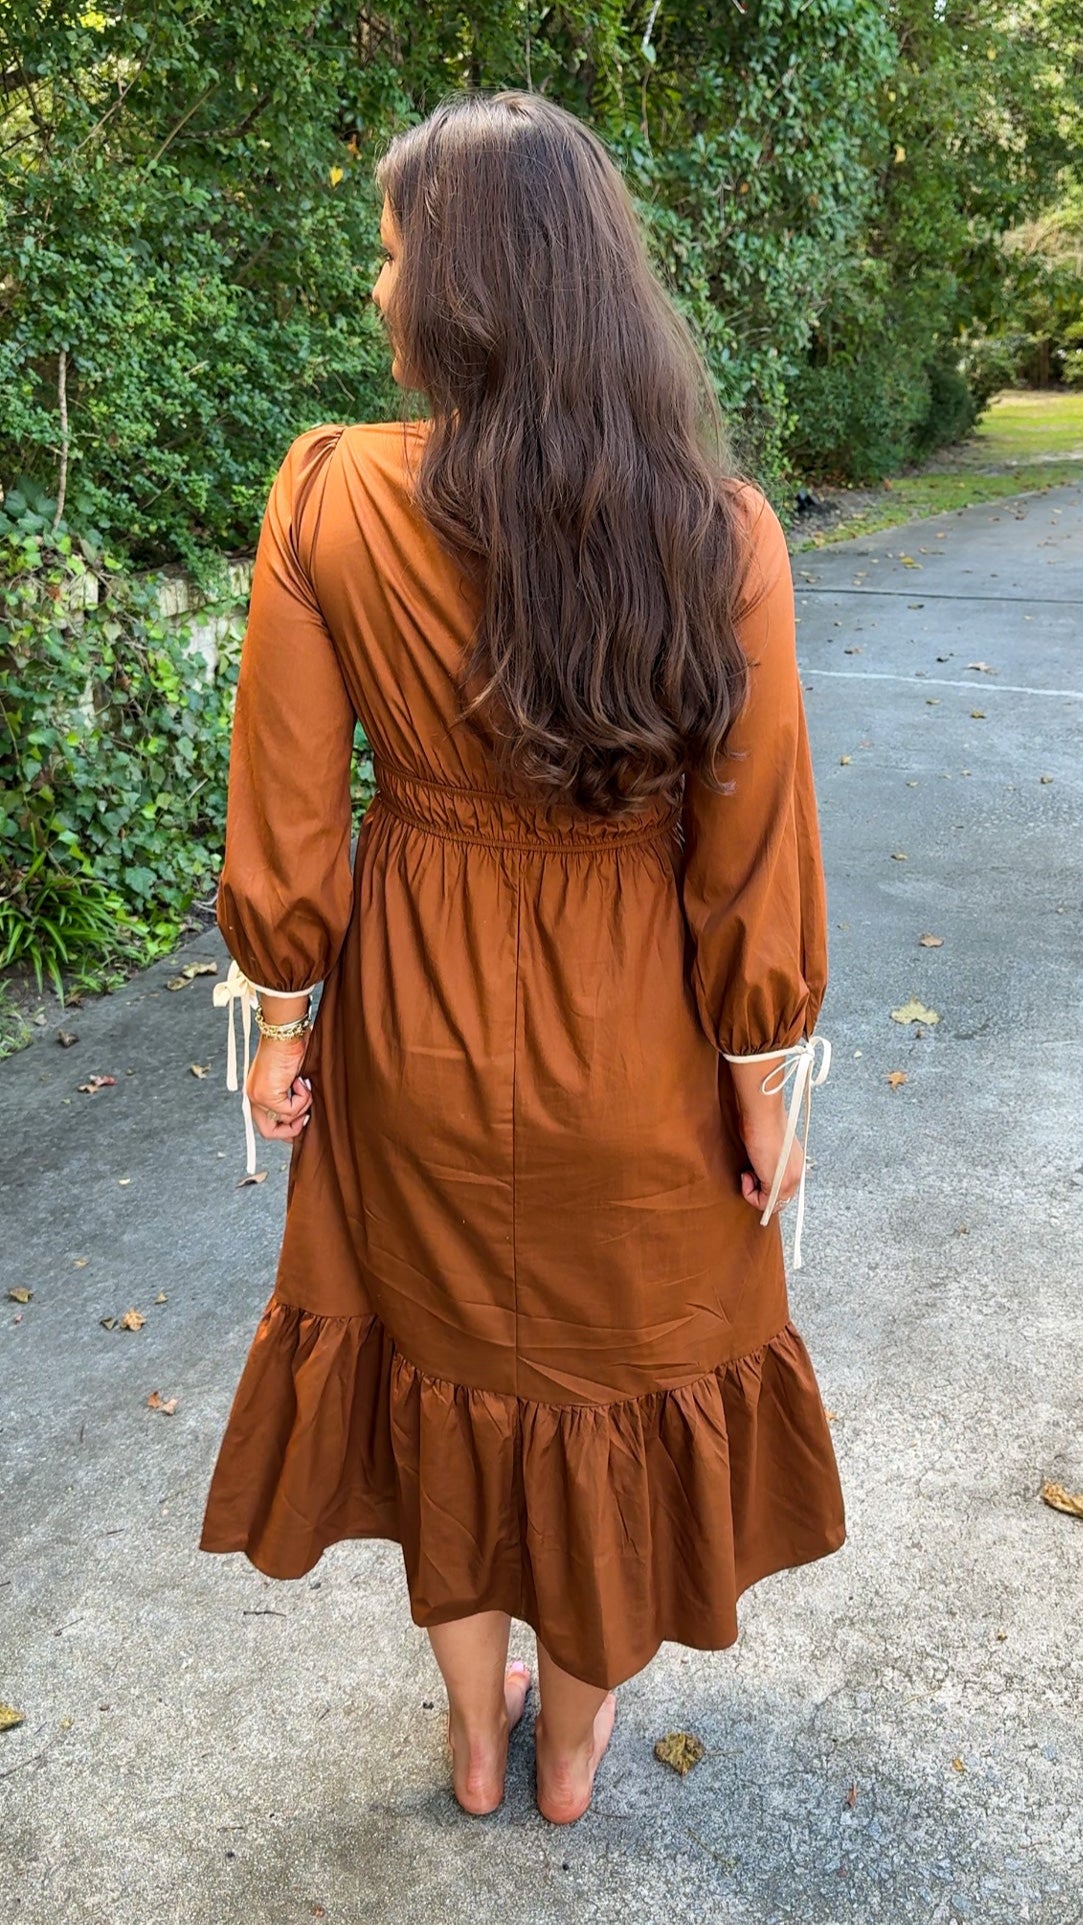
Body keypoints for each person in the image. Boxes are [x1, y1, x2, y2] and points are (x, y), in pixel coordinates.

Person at [200, 88, 845, 1826]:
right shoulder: (720, 536)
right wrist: (760, 1079)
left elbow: (287, 803)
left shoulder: (330, 496)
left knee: (445, 1377)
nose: (379, 288)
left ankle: (473, 1742)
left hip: (414, 1032)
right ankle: (568, 1748)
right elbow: (752, 845)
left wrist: (278, 1018)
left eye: (396, 250)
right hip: (637, 1046)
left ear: (466, 290)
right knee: (607, 1391)